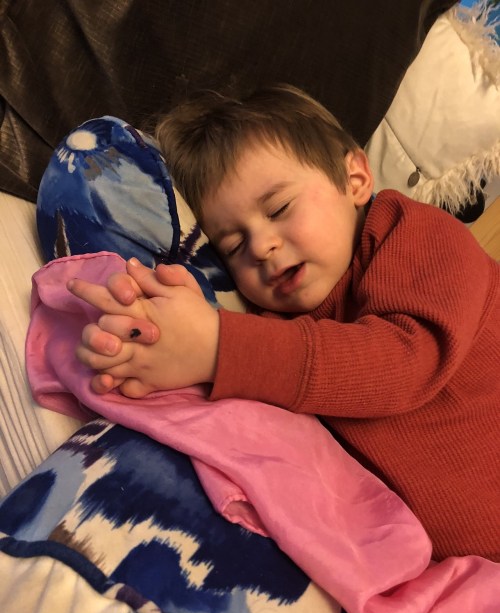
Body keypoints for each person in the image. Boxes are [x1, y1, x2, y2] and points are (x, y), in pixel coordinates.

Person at [67, 84, 500, 563]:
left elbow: (402, 363)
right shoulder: (277, 321)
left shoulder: (414, 235)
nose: (261, 246)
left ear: (354, 178)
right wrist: (148, 329)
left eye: (278, 209)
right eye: (234, 246)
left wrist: (216, 346)